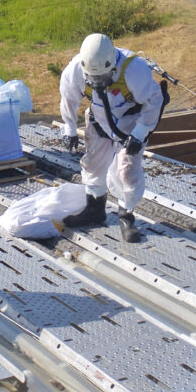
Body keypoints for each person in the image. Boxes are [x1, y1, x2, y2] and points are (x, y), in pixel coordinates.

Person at [58, 33, 167, 242]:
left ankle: (126, 216)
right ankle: (95, 209)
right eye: (93, 78)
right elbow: (68, 99)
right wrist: (69, 129)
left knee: (126, 170)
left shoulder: (133, 69)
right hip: (99, 119)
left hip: (131, 122)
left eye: (102, 77)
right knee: (93, 164)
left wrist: (140, 133)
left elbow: (154, 101)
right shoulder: (75, 70)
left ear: (113, 65)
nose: (97, 82)